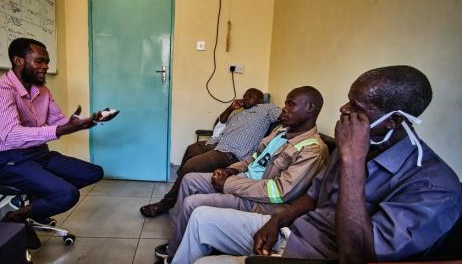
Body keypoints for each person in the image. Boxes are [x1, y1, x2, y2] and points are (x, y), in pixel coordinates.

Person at [173, 66, 462, 264]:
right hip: (292, 231)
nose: (343, 110)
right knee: (199, 218)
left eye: (357, 108)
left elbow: (357, 256)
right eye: (349, 101)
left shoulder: (433, 185)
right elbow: (313, 196)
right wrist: (277, 221)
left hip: (318, 255)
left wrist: (352, 161)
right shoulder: (286, 134)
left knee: (205, 261)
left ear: (395, 120)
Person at [155, 86, 330, 263]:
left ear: (310, 109)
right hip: (241, 178)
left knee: (192, 203)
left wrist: (228, 184)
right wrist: (232, 169)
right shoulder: (281, 131)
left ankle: (176, 253)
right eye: (285, 103)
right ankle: (178, 243)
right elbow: (254, 157)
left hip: (257, 200)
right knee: (189, 180)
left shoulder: (312, 149)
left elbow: (279, 192)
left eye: (291, 104)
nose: (284, 108)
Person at [0, 38, 118, 249]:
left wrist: (89, 121)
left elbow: (58, 122)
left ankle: (36, 205)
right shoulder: (0, 91)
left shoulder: (42, 91)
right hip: (11, 161)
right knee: (67, 194)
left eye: (47, 62)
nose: (45, 67)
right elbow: (11, 135)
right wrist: (62, 129)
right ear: (18, 60)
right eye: (39, 61)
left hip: (39, 154)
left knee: (93, 172)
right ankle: (15, 217)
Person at [140, 88, 280, 218]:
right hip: (217, 144)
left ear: (261, 100)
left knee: (191, 166)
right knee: (192, 148)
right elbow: (219, 125)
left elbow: (281, 115)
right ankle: (181, 183)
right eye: (244, 96)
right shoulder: (239, 114)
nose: (245, 98)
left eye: (250, 96)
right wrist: (231, 108)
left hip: (231, 153)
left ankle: (167, 203)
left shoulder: (267, 109)